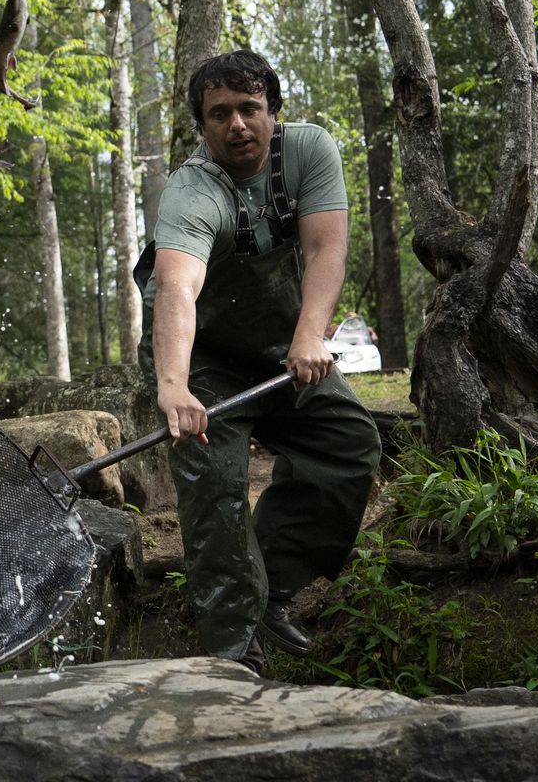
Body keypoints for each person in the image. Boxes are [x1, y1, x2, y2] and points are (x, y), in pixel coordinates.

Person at [133, 49, 380, 676]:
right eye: (220, 114)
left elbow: (326, 249)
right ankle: (232, 647)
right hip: (201, 357)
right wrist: (173, 386)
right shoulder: (192, 189)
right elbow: (178, 290)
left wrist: (309, 336)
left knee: (346, 443)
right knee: (214, 483)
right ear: (203, 126)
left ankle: (275, 590)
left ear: (273, 112)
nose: (237, 124)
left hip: (285, 344)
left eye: (250, 109)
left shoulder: (311, 152)